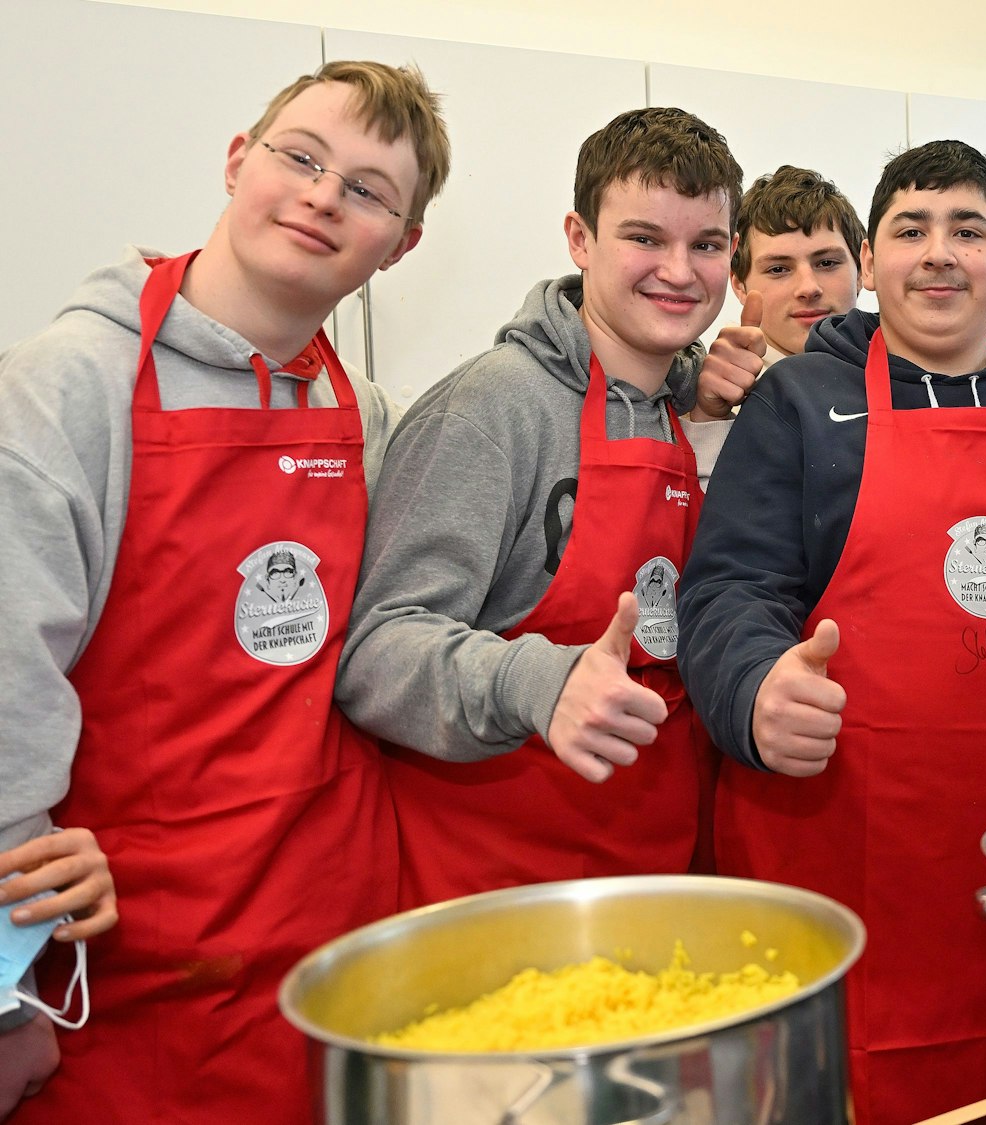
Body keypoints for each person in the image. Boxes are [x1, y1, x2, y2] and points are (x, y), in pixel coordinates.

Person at [677, 139, 986, 1125]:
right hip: (846, 857)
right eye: (910, 230)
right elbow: (731, 589)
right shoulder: (797, 402)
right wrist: (755, 687)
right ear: (870, 262)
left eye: (967, 230)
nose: (939, 252)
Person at [0, 60, 448, 1122]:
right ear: (239, 160)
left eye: (368, 190)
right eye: (301, 157)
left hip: (336, 948)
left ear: (401, 244)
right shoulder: (66, 387)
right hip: (121, 972)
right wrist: (6, 995)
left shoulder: (365, 415)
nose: (323, 197)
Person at [336, 107, 734, 908]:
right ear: (580, 239)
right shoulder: (493, 406)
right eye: (645, 237)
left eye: (707, 244)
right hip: (497, 892)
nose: (679, 270)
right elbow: (375, 653)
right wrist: (540, 681)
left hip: (659, 877)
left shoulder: (697, 409)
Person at [683, 164, 865, 486]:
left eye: (826, 263)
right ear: (738, 284)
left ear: (862, 271)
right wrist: (709, 419)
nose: (808, 287)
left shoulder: (910, 378)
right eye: (779, 269)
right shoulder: (707, 399)